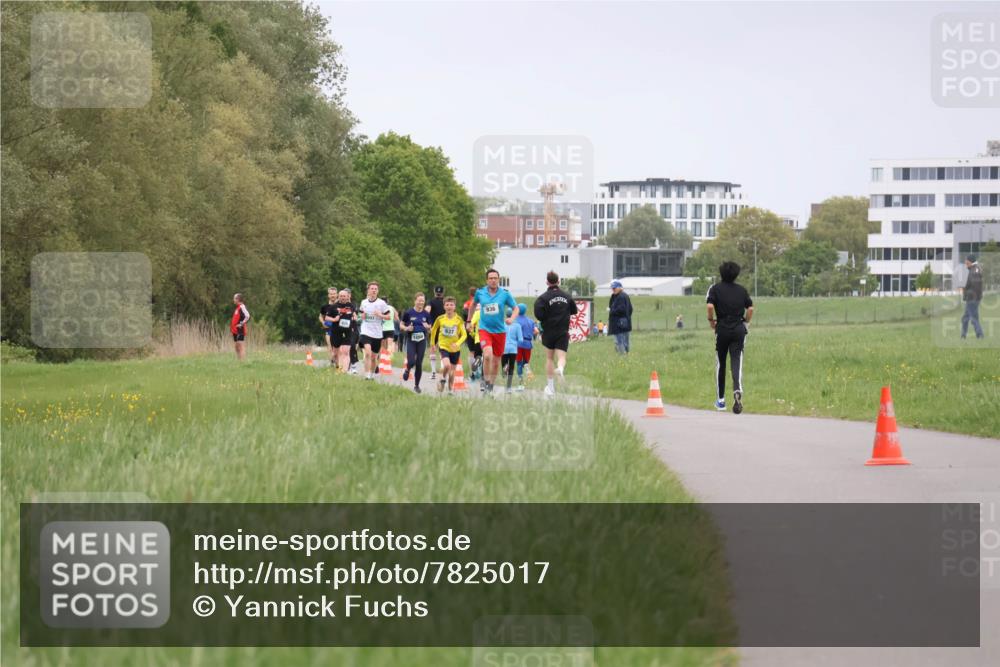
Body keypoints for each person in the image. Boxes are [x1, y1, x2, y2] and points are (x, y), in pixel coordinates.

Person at [706, 261, 754, 414]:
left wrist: (711, 320)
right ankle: (737, 390)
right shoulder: (741, 290)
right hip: (738, 329)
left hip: (722, 328)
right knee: (736, 360)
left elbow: (709, 306)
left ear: (721, 273)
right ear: (736, 274)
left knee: (721, 363)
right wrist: (746, 322)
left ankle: (721, 400)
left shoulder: (715, 289)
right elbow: (750, 308)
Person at [470, 269, 518, 395]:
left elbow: (516, 308)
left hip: (500, 332)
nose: (493, 280)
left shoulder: (505, 294)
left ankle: (491, 386)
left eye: (495, 278)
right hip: (484, 329)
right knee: (487, 355)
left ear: (498, 280)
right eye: (490, 278)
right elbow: (473, 305)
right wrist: (469, 321)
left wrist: (512, 319)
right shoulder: (480, 293)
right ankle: (486, 383)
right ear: (487, 280)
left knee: (496, 363)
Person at [534, 270, 578, 396]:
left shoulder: (542, 298)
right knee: (562, 357)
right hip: (563, 331)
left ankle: (551, 387)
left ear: (547, 282)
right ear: (558, 281)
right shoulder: (567, 296)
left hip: (548, 331)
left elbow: (539, 315)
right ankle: (560, 368)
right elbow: (574, 311)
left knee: (549, 358)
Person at [429, 297, 467, 394]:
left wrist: (457, 343)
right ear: (444, 307)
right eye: (447, 305)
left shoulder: (459, 319)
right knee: (446, 365)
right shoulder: (440, 318)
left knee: (452, 372)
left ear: (455, 307)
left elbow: (464, 335)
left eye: (451, 305)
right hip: (443, 346)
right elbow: (433, 330)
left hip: (455, 349)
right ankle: (442, 378)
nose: (449, 307)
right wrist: (432, 343)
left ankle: (450, 390)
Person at [358, 281, 392, 380]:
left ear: (378, 291)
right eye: (372, 289)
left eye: (375, 289)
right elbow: (360, 314)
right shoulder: (363, 302)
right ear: (368, 290)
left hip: (377, 333)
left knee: (374, 357)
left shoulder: (382, 303)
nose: (373, 290)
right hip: (365, 331)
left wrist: (380, 315)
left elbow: (388, 317)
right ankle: (367, 375)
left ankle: (372, 374)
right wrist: (362, 316)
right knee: (368, 353)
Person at [401, 292, 433, 393]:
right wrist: (407, 328)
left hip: (422, 340)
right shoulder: (408, 313)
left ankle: (417, 385)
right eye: (419, 300)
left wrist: (428, 327)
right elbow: (401, 325)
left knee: (419, 363)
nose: (421, 303)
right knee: (411, 361)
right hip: (411, 340)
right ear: (415, 301)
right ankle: (407, 369)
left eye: (423, 301)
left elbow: (430, 329)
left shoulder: (426, 314)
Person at [326, 289, 357, 373]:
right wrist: (334, 319)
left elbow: (354, 315)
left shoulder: (351, 306)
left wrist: (354, 318)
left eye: (344, 296)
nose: (343, 297)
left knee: (346, 352)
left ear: (347, 297)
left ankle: (344, 371)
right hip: (336, 332)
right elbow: (326, 318)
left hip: (348, 331)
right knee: (336, 353)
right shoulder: (333, 306)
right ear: (338, 297)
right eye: (341, 296)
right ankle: (338, 367)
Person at [514, 303, 538, 390]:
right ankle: (527, 370)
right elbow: (536, 331)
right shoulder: (530, 321)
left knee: (519, 363)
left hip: (518, 344)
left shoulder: (515, 320)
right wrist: (530, 334)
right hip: (528, 344)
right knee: (526, 362)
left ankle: (520, 384)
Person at [960, 254, 984, 339]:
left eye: (966, 261)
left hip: (972, 298)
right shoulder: (973, 269)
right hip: (972, 298)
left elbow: (975, 286)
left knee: (973, 318)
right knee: (965, 318)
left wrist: (967, 292)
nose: (965, 263)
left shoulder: (975, 271)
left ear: (970, 261)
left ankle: (980, 335)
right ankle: (963, 336)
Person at [501, 307, 524, 394]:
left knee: (504, 364)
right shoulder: (517, 325)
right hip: (513, 349)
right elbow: (521, 339)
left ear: (506, 314)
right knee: (512, 367)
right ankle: (508, 387)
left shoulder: (502, 324)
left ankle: (504, 368)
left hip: (503, 348)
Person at [426, 286, 446, 380]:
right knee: (443, 349)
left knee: (432, 349)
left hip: (433, 328)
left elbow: (427, 311)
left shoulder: (431, 301)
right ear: (443, 293)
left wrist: (427, 323)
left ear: (434, 292)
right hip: (444, 328)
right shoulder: (446, 302)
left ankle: (433, 372)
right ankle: (442, 369)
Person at [608, 280, 633, 354]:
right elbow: (631, 309)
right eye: (612, 288)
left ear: (620, 288)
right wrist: (627, 318)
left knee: (619, 340)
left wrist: (612, 311)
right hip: (625, 322)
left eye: (614, 288)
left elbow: (621, 309)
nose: (613, 289)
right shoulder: (617, 296)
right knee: (625, 340)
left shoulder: (621, 297)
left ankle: (622, 355)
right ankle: (626, 353)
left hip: (618, 323)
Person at [319, 287, 339, 365]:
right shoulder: (325, 307)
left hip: (339, 330)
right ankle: (332, 363)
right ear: (328, 295)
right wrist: (323, 322)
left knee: (337, 349)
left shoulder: (340, 305)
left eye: (334, 294)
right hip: (329, 329)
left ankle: (337, 363)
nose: (332, 295)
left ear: (337, 294)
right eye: (331, 294)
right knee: (330, 347)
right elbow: (320, 316)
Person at [231, 293, 250, 362]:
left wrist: (241, 324)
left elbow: (247, 316)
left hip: (240, 330)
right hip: (235, 330)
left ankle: (243, 361)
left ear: (238, 299)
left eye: (234, 298)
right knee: (236, 346)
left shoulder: (242, 307)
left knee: (240, 345)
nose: (233, 300)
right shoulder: (238, 308)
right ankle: (239, 360)